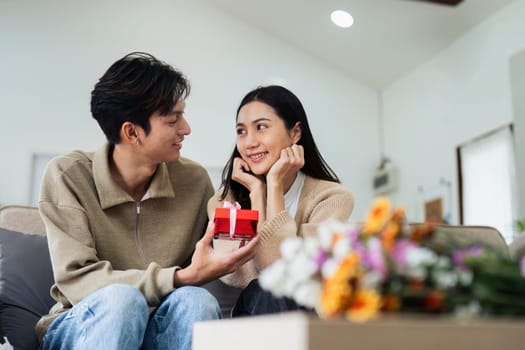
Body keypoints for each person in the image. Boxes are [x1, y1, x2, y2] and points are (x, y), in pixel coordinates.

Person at [36, 52, 258, 350]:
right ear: (132, 132)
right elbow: (78, 283)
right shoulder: (68, 175)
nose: (186, 129)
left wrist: (257, 186)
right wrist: (180, 277)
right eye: (173, 119)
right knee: (122, 300)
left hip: (161, 324)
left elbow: (227, 255)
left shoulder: (193, 180)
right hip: (81, 323)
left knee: (197, 300)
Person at [207, 85, 354, 316]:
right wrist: (256, 192)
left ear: (295, 133)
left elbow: (287, 273)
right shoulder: (225, 202)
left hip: (307, 313)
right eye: (241, 131)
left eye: (261, 127)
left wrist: (273, 185)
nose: (250, 142)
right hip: (250, 312)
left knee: (280, 290)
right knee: (266, 290)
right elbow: (241, 274)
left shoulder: (332, 198)